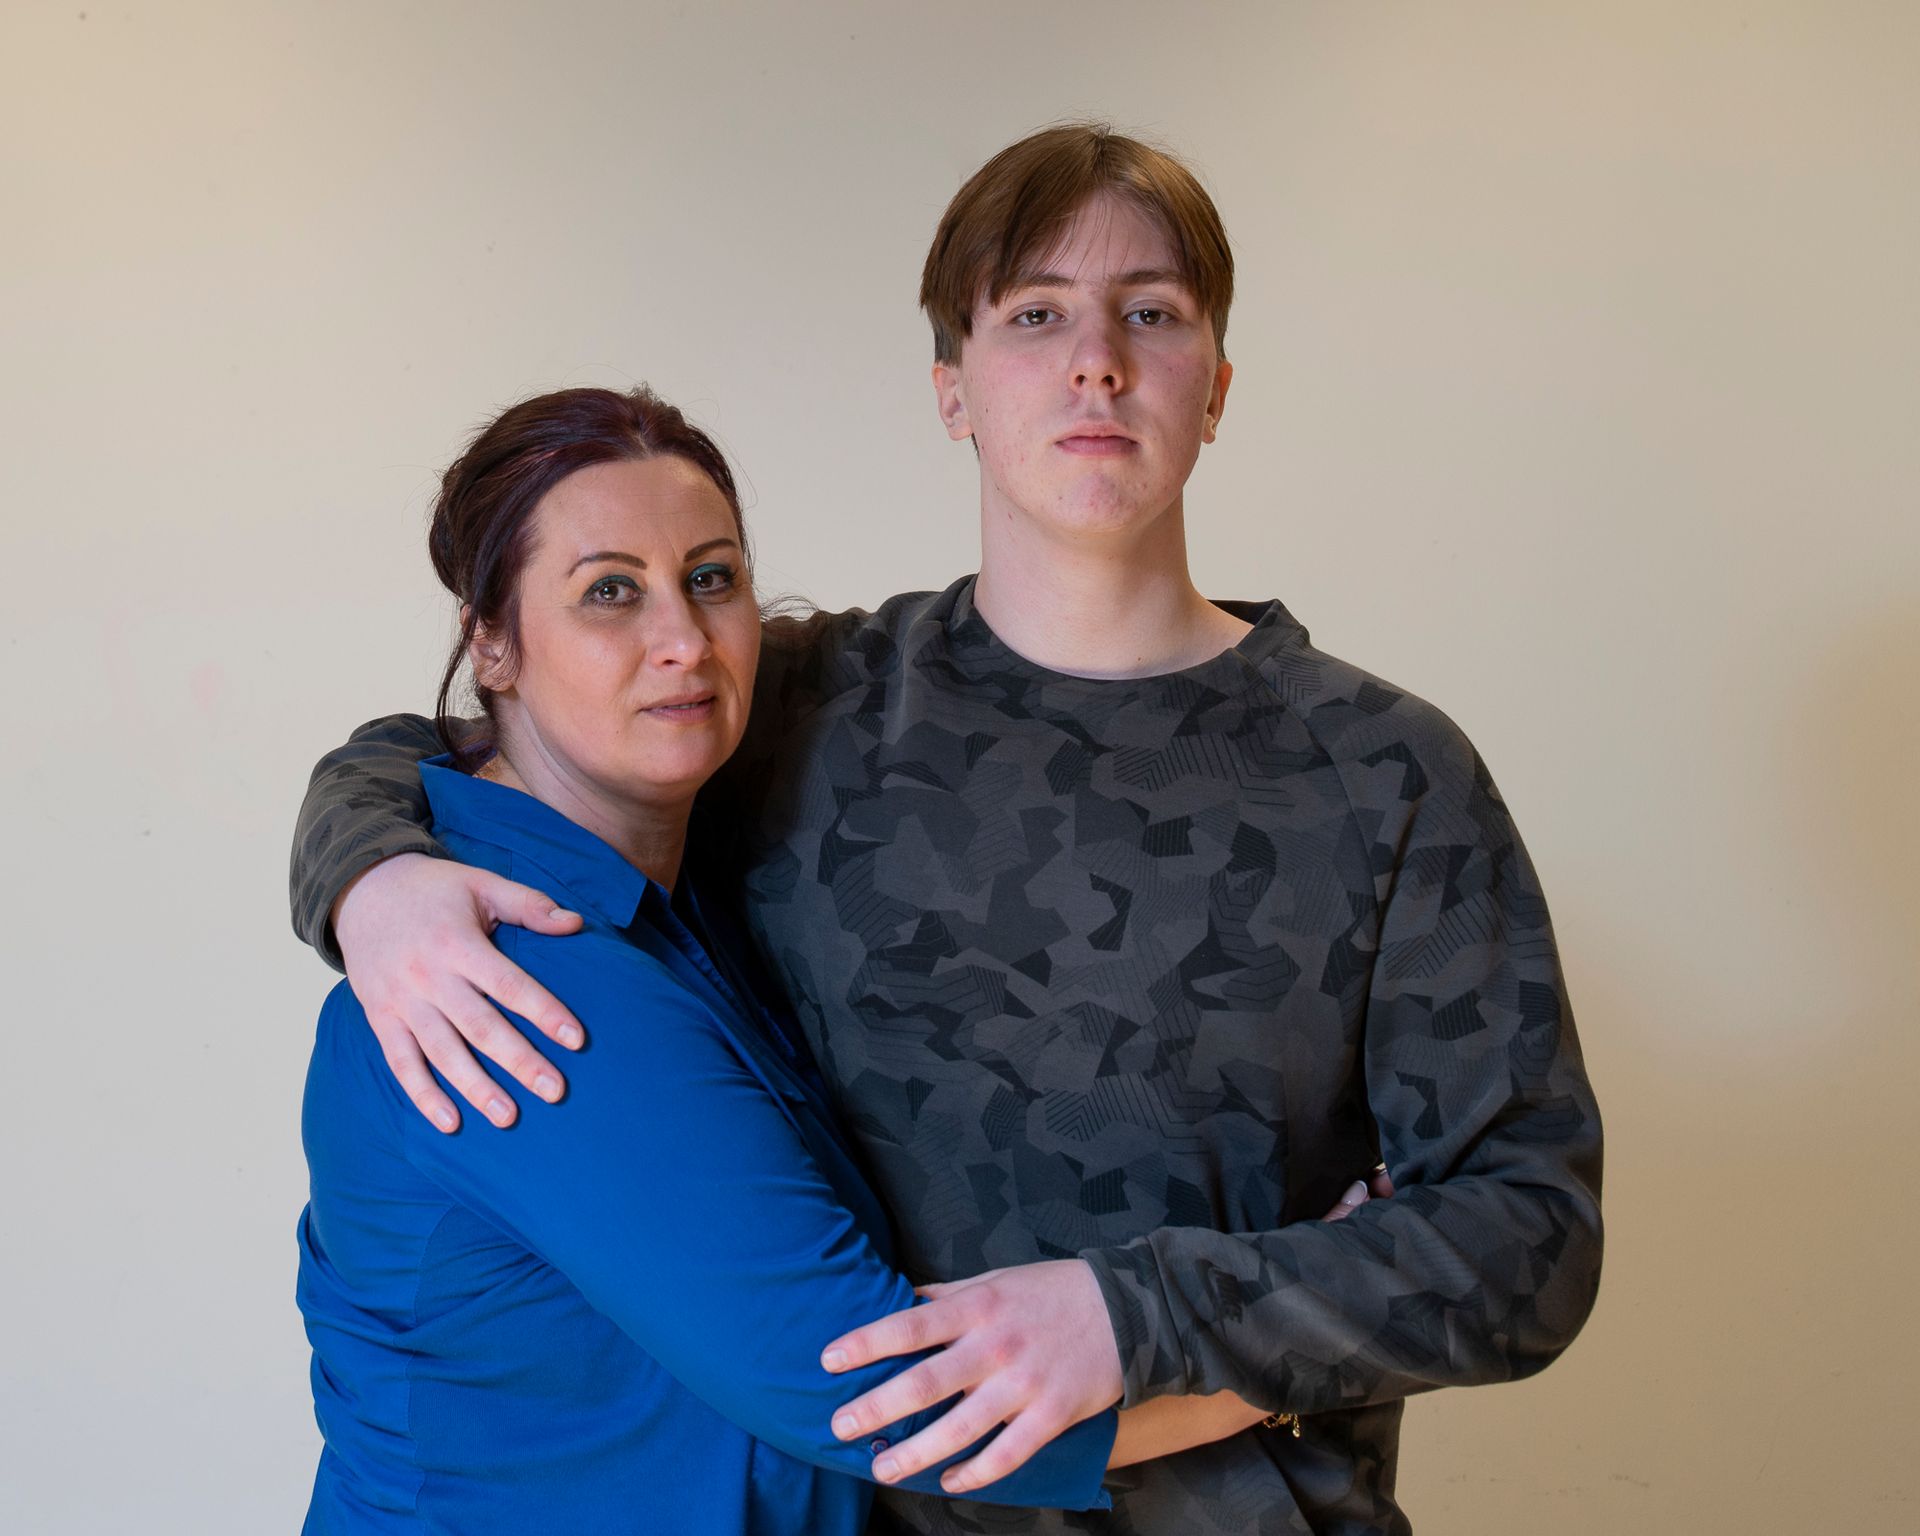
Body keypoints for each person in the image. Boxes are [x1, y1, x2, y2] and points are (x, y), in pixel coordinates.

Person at [291, 125, 1603, 1534]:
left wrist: (1146, 1315)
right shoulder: (796, 709)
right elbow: (496, 744)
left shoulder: (1386, 771)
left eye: (1151, 313)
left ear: (1217, 385)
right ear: (951, 388)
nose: (1096, 362)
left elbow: (1533, 1235)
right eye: (1036, 314)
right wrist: (371, 872)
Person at [297, 384, 1288, 1535]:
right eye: (609, 591)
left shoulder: (671, 876)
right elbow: (878, 1393)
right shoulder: (522, 976)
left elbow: (406, 749)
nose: (683, 639)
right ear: (493, 641)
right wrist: (1292, 1356)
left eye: (712, 578)